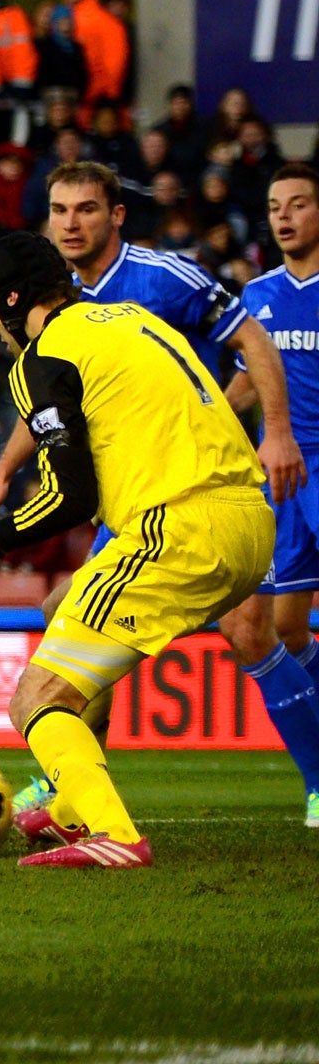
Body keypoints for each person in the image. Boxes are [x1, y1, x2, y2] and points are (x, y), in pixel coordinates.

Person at [0, 233, 276, 867]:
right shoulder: (130, 319)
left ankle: (117, 837)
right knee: (61, 603)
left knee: (34, 700)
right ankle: (71, 804)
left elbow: (69, 496)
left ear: (12, 301)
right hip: (249, 522)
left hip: (177, 529)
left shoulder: (42, 359)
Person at [0, 161, 312, 816]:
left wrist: (276, 429)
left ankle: (309, 782)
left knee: (250, 631)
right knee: (61, 609)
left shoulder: (159, 279)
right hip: (182, 490)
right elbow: (52, 405)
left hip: (180, 496)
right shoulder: (104, 310)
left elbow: (251, 340)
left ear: (116, 214)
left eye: (86, 209)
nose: (72, 222)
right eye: (60, 210)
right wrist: (0, 473)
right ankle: (73, 780)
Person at [224, 162, 319, 828]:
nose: (283, 216)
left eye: (299, 204)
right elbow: (242, 390)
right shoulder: (255, 296)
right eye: (274, 206)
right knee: (268, 628)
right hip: (276, 479)